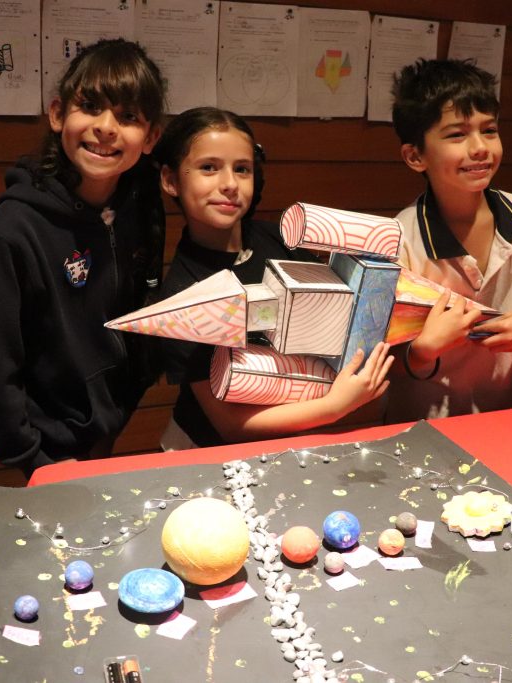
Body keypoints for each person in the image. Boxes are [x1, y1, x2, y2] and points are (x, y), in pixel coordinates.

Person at [0, 39, 167, 474]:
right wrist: (33, 458)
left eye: (128, 116)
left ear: (150, 137)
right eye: (90, 107)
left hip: (110, 422)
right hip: (49, 447)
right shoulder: (10, 233)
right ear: (58, 114)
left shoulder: (140, 204)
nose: (106, 127)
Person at [153, 107, 394, 449]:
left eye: (242, 169)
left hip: (288, 440)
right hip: (206, 453)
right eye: (209, 167)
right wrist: (334, 406)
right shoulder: (181, 296)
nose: (229, 184)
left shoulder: (279, 240)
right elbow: (232, 426)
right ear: (171, 180)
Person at [386, 58, 512, 422]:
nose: (480, 147)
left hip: (496, 415)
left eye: (489, 130)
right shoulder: (399, 239)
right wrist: (424, 349)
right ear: (415, 156)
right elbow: (383, 360)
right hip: (418, 424)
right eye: (457, 134)